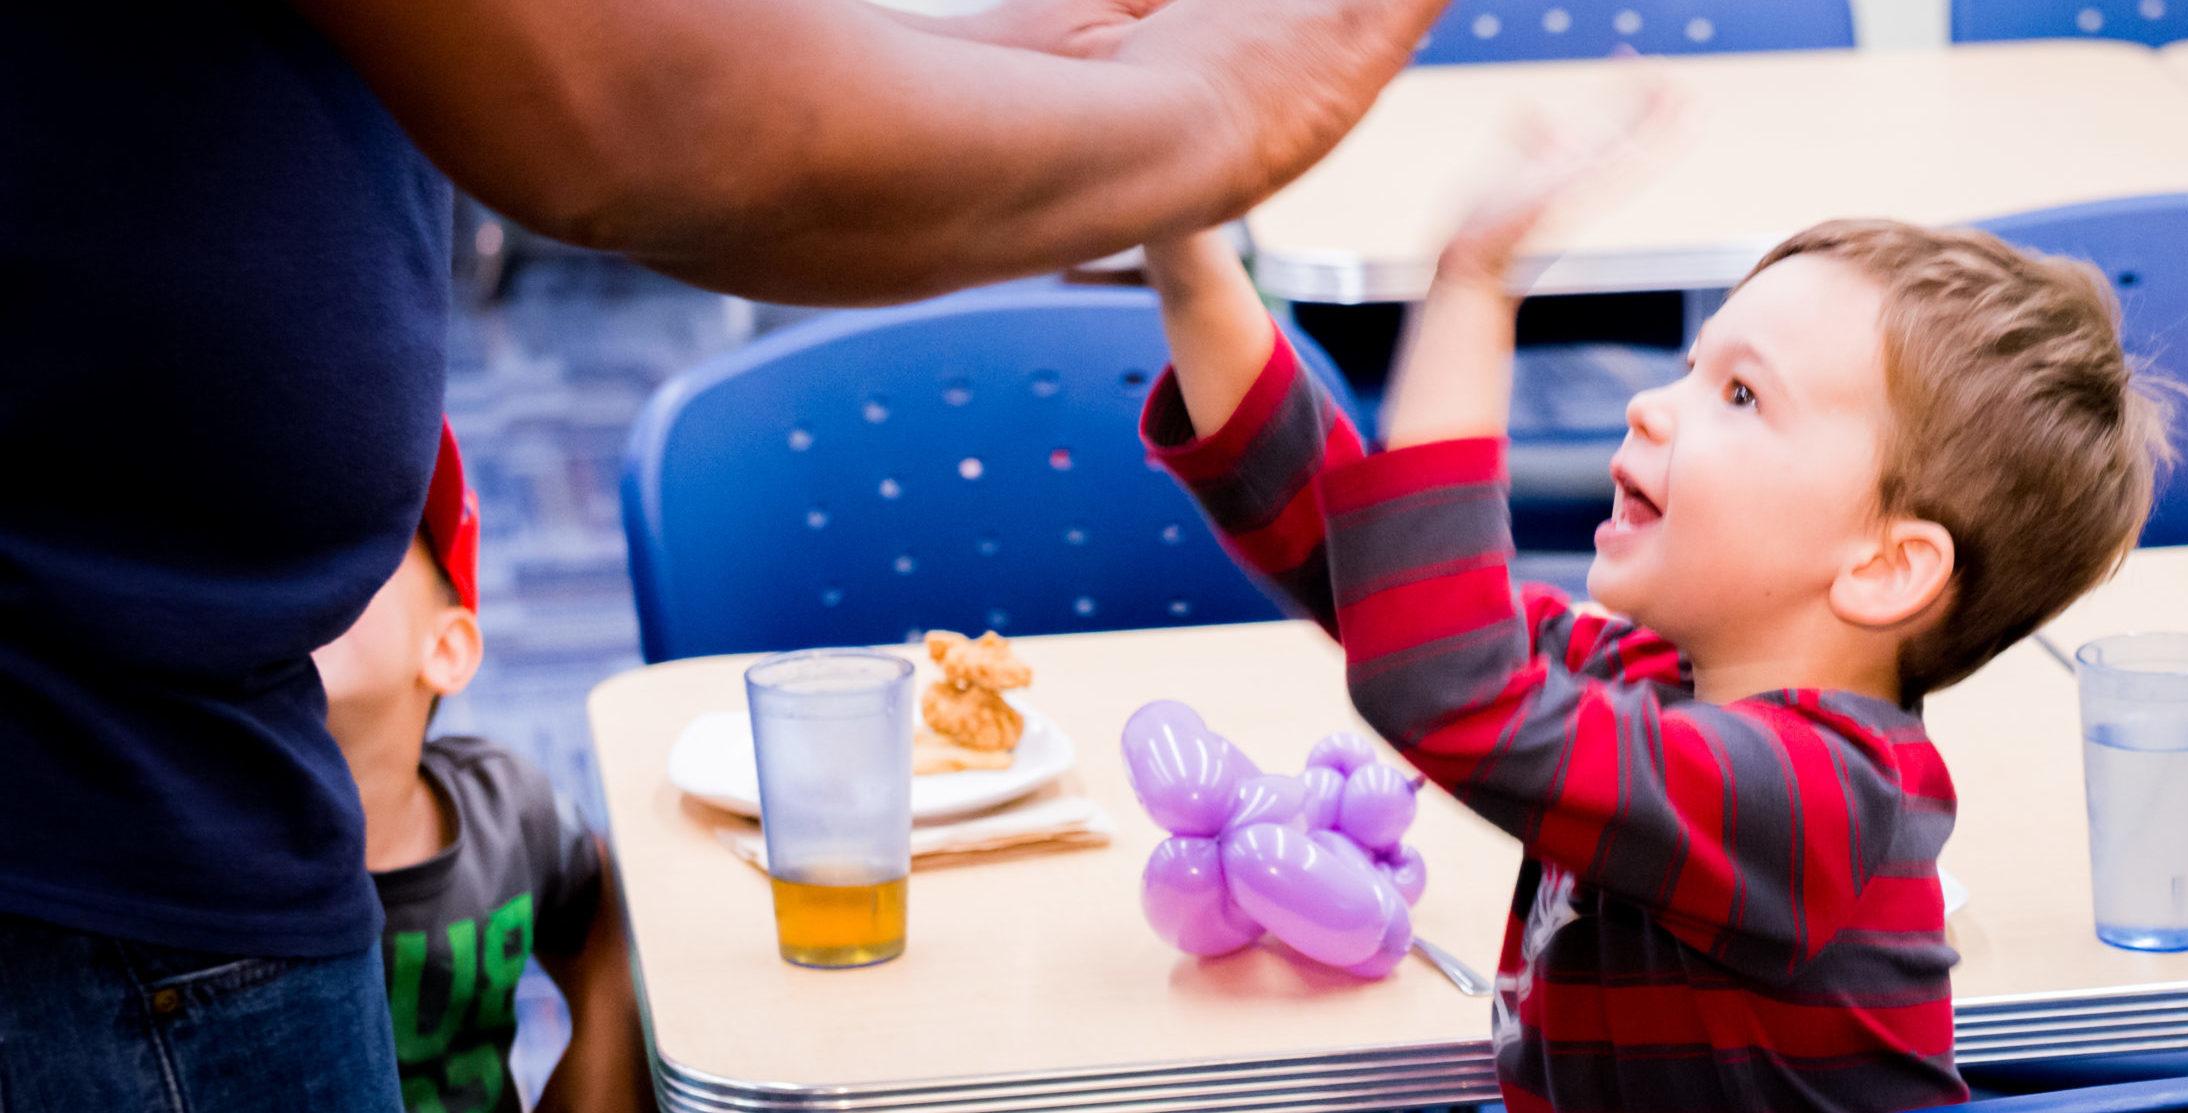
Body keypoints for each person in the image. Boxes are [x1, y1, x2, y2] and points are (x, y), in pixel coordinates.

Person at [0, 1, 1451, 1106]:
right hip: (102, 833)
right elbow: (636, 116)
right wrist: (1218, 106)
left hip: (151, 795)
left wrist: (979, 78)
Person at [1134, 108, 2177, 1111]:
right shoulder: (1650, 679)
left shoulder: (1813, 797)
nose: (1648, 403)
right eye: (1692, 367)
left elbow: (1444, 684)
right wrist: (1180, 231)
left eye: (1739, 396)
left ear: (1886, 567)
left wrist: (1472, 287)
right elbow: (1381, 588)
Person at [312, 423, 650, 1112]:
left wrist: (595, 1067)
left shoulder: (510, 809)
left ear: (447, 648)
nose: (298, 570)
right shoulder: (201, 851)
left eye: (353, 535)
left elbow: (605, 917)